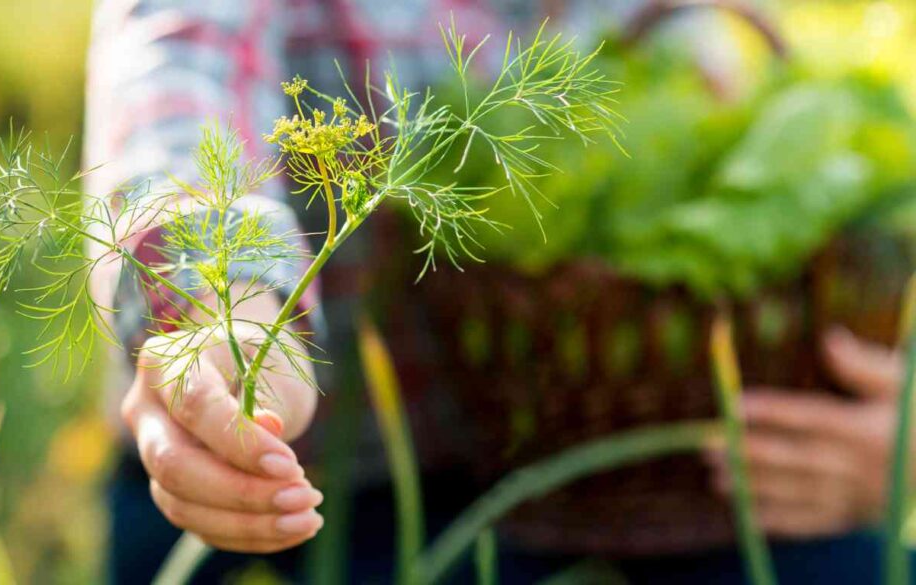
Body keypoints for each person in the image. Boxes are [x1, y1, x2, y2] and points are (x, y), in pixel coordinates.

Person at [83, 0, 909, 583]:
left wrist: (893, 428)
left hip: (626, 463)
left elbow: (715, 78)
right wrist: (224, 315)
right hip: (307, 484)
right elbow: (177, 94)